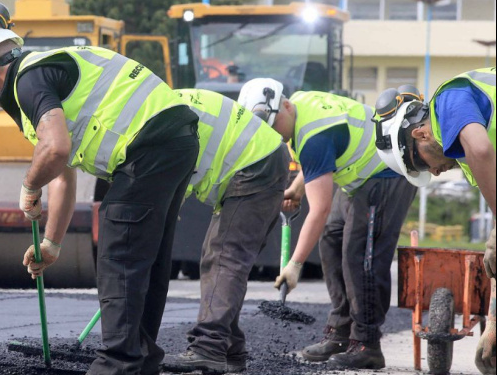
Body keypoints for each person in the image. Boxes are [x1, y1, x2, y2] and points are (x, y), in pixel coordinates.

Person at [0, 2, 199, 375]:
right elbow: (63, 173)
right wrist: (51, 244)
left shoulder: (28, 80)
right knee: (148, 259)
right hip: (176, 139)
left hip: (148, 146)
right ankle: (140, 359)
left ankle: (118, 364)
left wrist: (28, 186)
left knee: (120, 253)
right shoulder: (46, 72)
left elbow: (55, 149)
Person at [238, 78, 418, 369]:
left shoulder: (314, 134)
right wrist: (297, 188)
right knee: (332, 240)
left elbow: (318, 210)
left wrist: (294, 266)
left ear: (285, 105)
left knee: (360, 256)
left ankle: (367, 343)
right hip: (359, 177)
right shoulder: (301, 104)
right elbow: (322, 160)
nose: (274, 132)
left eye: (273, 124)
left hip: (387, 173)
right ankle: (341, 333)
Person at [374, 67, 495, 374]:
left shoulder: (449, 100)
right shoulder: (471, 162)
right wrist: (493, 322)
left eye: (420, 163)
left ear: (420, 134)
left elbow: (481, 148)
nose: (434, 172)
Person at [161, 88, 289, 374]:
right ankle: (230, 349)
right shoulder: (162, 105)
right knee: (215, 257)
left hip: (255, 162)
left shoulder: (157, 117)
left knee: (225, 256)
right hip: (257, 159)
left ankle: (209, 346)